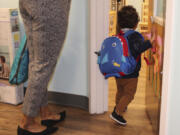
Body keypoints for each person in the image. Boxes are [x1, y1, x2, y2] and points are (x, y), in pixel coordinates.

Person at [18, 0, 71, 135]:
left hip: (30, 3)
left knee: (37, 63)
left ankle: (45, 113)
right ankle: (27, 123)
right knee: (43, 65)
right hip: (49, 5)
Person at [110, 6, 156, 126]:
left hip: (118, 72)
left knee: (120, 90)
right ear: (135, 24)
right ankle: (117, 112)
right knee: (129, 94)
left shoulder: (119, 34)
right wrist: (150, 43)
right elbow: (138, 48)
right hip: (130, 74)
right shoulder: (134, 36)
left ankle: (119, 105)